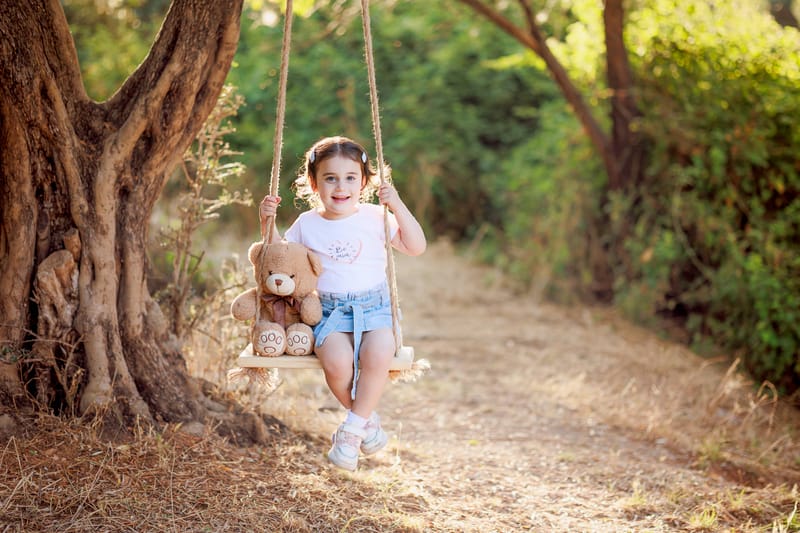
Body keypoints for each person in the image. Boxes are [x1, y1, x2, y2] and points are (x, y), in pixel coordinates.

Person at [259, 135, 426, 471]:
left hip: (375, 309)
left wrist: (397, 205)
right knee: (336, 364)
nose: (340, 186)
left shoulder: (375, 216)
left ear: (364, 182)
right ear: (313, 182)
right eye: (330, 178)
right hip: (330, 313)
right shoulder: (307, 224)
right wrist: (267, 224)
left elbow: (415, 246)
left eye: (350, 178)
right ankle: (366, 421)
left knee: (378, 354)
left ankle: (350, 433)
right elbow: (280, 258)